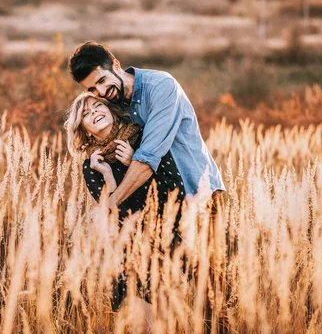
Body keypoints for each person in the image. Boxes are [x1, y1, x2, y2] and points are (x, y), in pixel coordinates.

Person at [68, 41, 226, 209]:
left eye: (102, 80)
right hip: (164, 206)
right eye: (92, 89)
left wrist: (109, 206)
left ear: (115, 64)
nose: (101, 92)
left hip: (198, 190)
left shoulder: (161, 86)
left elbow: (147, 158)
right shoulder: (113, 102)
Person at [64, 91, 185, 311]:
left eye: (97, 106)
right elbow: (113, 215)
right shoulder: (92, 165)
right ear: (83, 129)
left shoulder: (144, 139)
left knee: (169, 306)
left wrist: (135, 162)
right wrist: (108, 175)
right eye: (86, 114)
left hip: (169, 233)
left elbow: (175, 188)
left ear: (109, 109)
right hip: (129, 245)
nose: (94, 113)